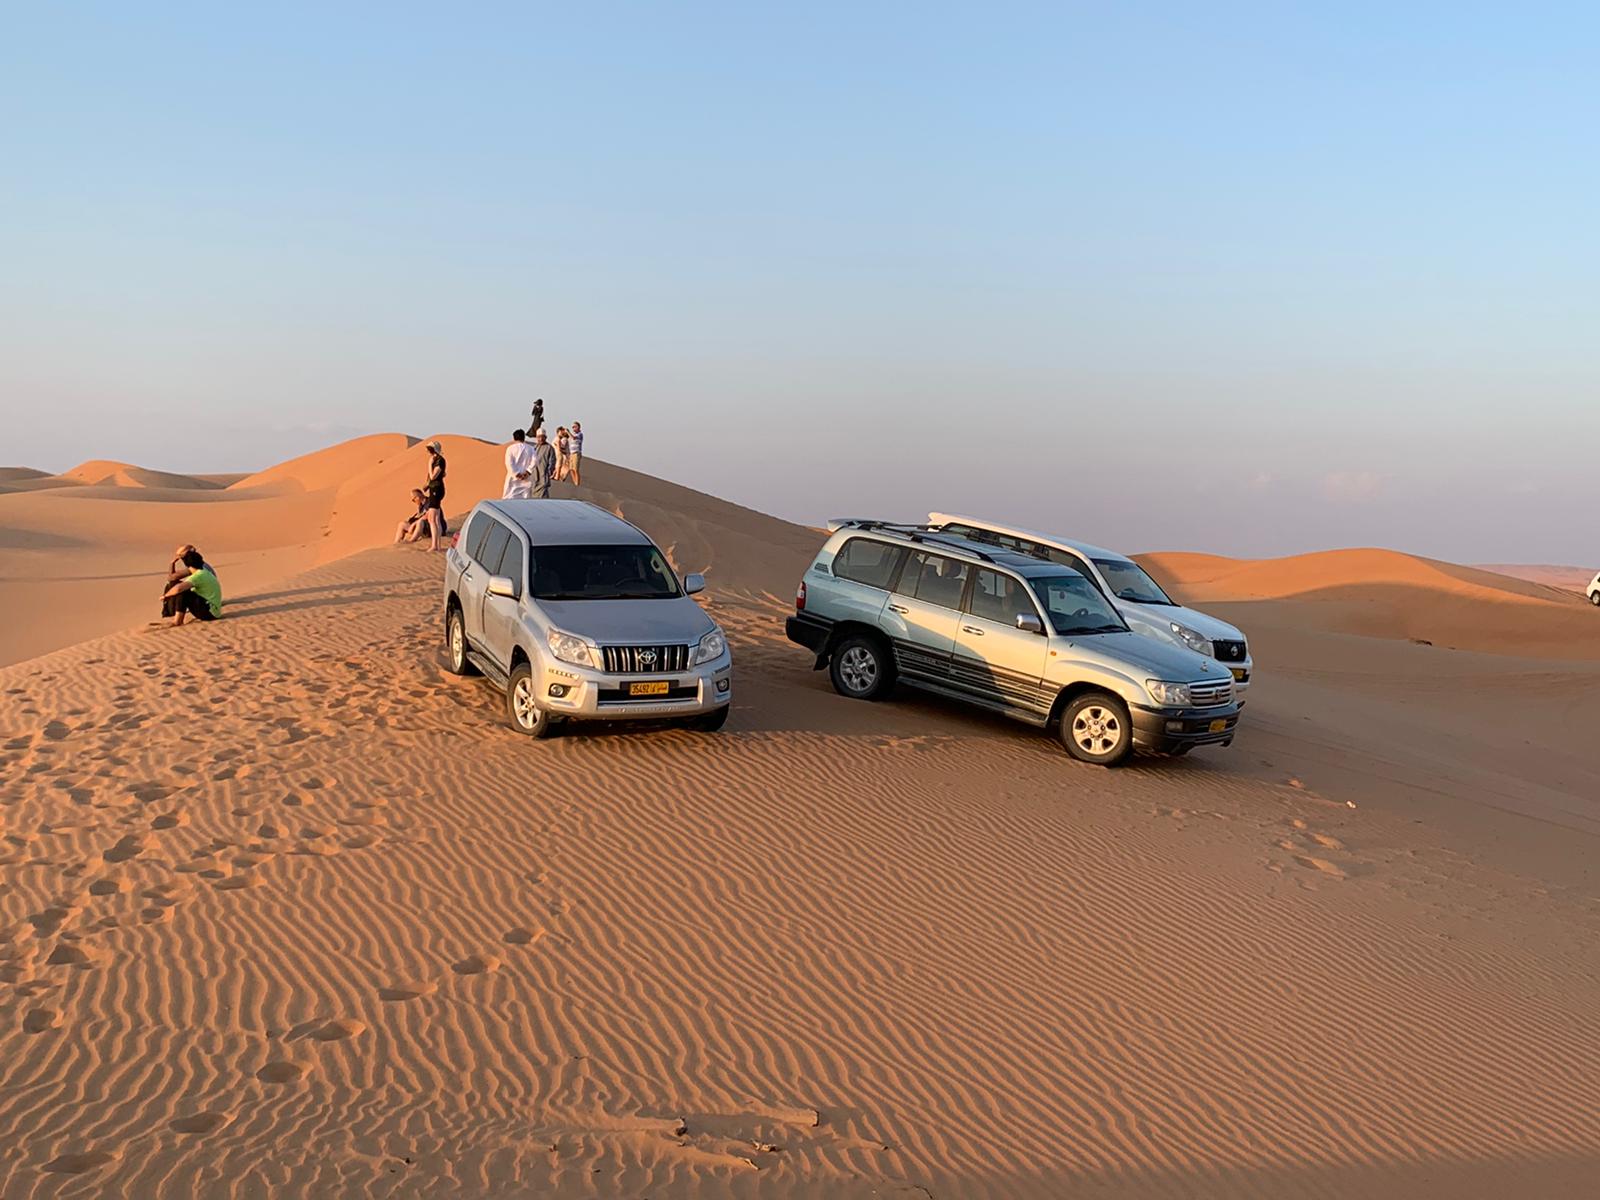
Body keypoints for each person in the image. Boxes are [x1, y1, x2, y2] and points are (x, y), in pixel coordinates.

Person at [163, 549, 222, 625]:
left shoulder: (198, 575)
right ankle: (170, 614)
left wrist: (165, 596)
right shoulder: (204, 571)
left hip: (209, 613)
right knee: (176, 586)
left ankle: (177, 620)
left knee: (182, 590)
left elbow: (178, 588)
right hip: (212, 610)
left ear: (187, 565)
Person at [422, 440, 448, 550]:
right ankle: (437, 545)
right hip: (434, 489)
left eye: (430, 449)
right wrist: (427, 485)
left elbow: (433, 476)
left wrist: (429, 464)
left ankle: (434, 545)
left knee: (432, 519)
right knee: (436, 519)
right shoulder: (436, 460)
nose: (428, 452)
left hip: (436, 490)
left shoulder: (439, 461)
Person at [502, 429, 536, 499]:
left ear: (514, 438)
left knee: (509, 498)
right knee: (525, 499)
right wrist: (528, 472)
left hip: (513, 478)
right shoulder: (531, 448)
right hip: (526, 478)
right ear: (524, 437)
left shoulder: (510, 448)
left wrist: (516, 474)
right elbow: (534, 461)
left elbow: (509, 463)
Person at [530, 429, 558, 499]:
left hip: (543, 476)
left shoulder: (549, 448)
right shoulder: (534, 448)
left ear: (545, 437)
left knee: (542, 496)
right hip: (534, 477)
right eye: (539, 437)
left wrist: (548, 472)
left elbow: (552, 461)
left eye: (542, 437)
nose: (541, 439)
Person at [567, 420, 583, 487]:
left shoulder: (580, 434)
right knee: (571, 469)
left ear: (579, 427)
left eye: (575, 427)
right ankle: (575, 483)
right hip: (572, 453)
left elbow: (573, 438)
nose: (573, 428)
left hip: (576, 453)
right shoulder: (573, 434)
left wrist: (568, 432)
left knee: (575, 469)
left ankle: (577, 484)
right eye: (573, 427)